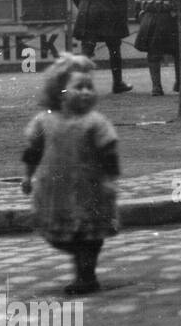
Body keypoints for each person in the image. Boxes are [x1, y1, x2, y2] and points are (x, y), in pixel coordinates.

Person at [21, 54, 122, 295]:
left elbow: (109, 150)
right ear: (59, 90)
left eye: (90, 87)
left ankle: (86, 277)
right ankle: (82, 261)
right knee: (58, 236)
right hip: (55, 192)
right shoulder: (44, 120)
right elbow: (32, 150)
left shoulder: (95, 122)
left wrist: (111, 179)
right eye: (79, 87)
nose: (86, 92)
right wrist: (27, 176)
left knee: (89, 235)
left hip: (90, 189)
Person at [134, 0, 180, 96]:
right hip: (170, 19)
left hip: (150, 19)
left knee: (153, 54)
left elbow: (137, 0)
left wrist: (141, 18)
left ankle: (156, 87)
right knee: (178, 52)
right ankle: (179, 84)